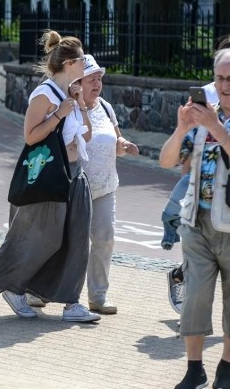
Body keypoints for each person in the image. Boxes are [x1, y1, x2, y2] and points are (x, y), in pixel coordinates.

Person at [158, 47, 230, 389]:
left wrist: (216, 128)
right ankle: (194, 369)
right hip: (197, 223)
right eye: (219, 78)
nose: (225, 85)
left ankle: (226, 370)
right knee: (195, 296)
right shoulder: (204, 116)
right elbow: (168, 160)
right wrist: (181, 128)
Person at [0, 30, 99, 323]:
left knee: (77, 239)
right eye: (83, 60)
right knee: (42, 238)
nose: (86, 64)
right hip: (50, 176)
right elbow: (30, 137)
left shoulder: (69, 93)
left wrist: (79, 104)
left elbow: (86, 134)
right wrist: (58, 114)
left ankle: (72, 302)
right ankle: (12, 285)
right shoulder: (44, 95)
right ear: (70, 63)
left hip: (75, 174)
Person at [77, 54, 139, 315]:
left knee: (104, 239)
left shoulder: (105, 107)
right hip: (75, 188)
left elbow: (117, 142)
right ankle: (41, 291)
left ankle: (98, 296)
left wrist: (123, 146)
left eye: (99, 79)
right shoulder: (70, 107)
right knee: (67, 242)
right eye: (91, 79)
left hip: (105, 187)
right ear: (77, 81)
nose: (97, 84)